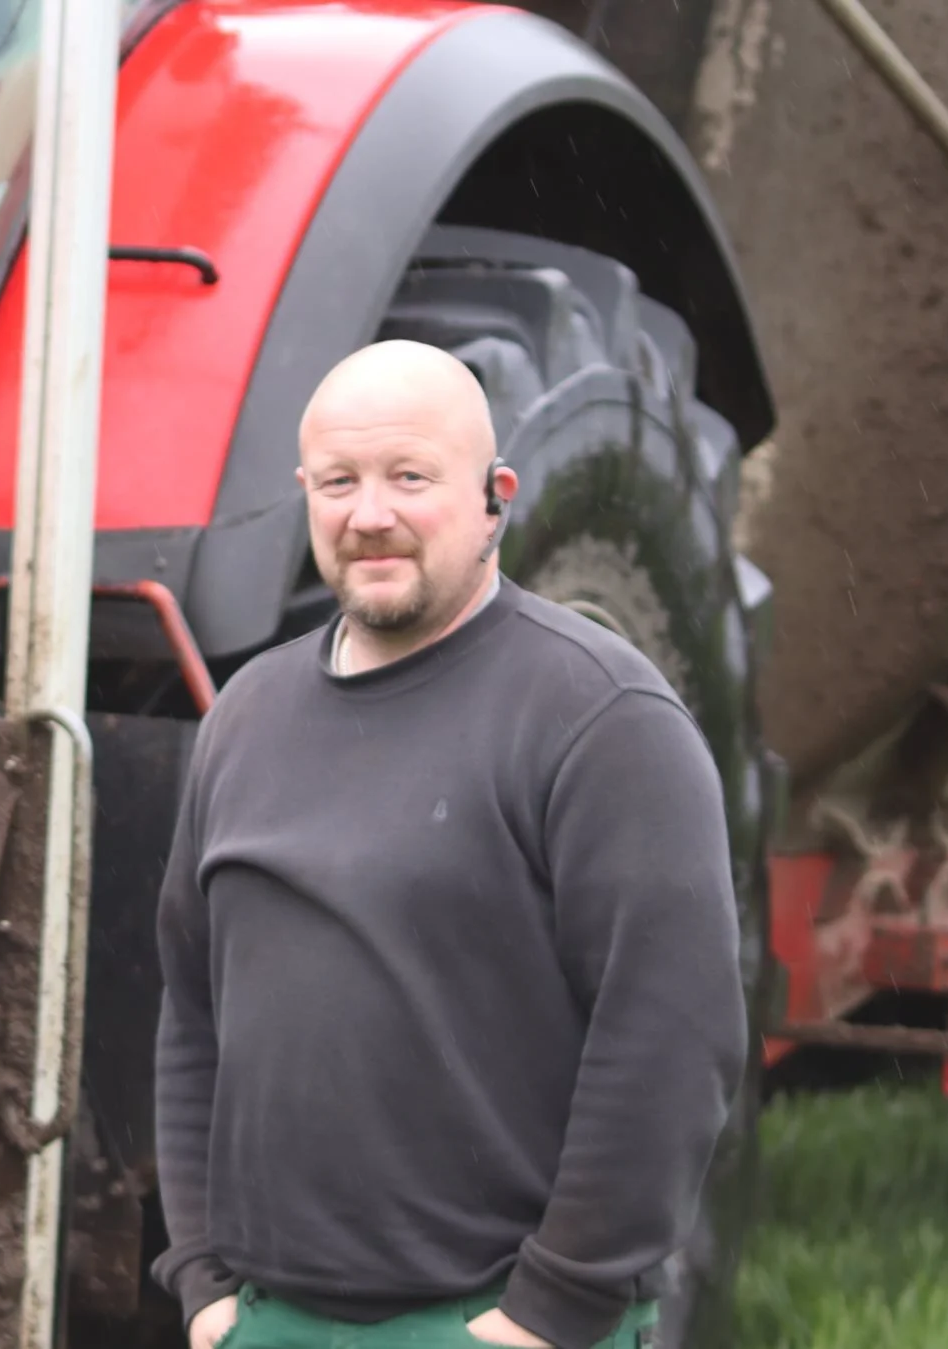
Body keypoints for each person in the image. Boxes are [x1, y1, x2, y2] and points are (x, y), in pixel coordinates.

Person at [149, 340, 748, 1349]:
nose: (368, 512)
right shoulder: (246, 715)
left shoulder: (598, 715)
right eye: (339, 481)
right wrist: (204, 1275)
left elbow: (670, 1033)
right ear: (306, 492)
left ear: (495, 496)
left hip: (488, 1324)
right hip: (266, 1321)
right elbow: (192, 1008)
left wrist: (549, 1313)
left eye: (409, 477)